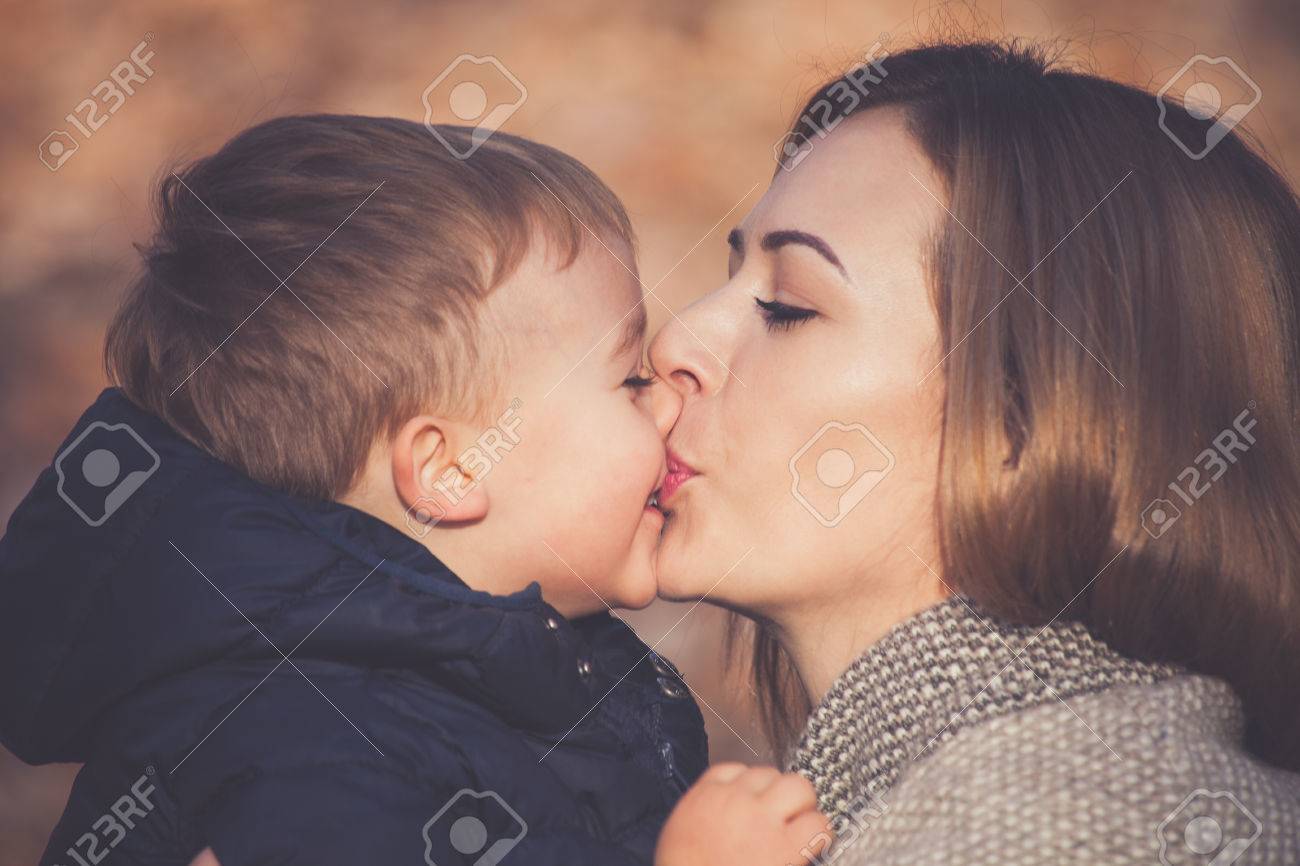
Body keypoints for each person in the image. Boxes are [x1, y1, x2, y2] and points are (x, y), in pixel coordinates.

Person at [0, 115, 738, 865]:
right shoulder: (316, 752)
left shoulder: (478, 683)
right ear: (454, 469)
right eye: (630, 380)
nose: (668, 400)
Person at [649, 40, 1300, 865]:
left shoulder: (1043, 835)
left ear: (1026, 419)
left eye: (787, 307)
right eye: (732, 277)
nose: (676, 337)